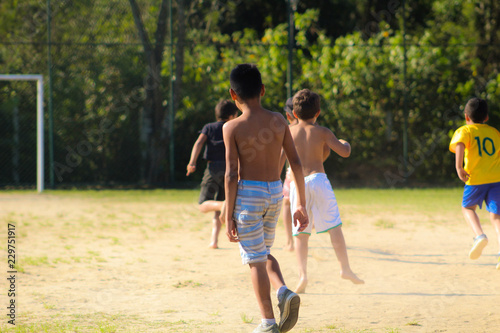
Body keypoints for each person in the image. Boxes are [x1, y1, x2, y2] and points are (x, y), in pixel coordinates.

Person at [223, 64, 309, 333]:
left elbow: (230, 174)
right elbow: (295, 162)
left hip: (248, 195)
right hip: (274, 193)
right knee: (264, 252)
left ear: (232, 94)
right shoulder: (279, 121)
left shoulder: (232, 127)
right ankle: (283, 291)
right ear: (262, 90)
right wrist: (300, 204)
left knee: (255, 260)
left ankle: (268, 323)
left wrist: (228, 218)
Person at [286, 89, 364, 294]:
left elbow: (280, 158)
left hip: (297, 184)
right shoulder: (322, 132)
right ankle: (345, 268)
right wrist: (346, 143)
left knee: (301, 233)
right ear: (318, 113)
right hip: (319, 180)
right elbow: (344, 152)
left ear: (294, 113)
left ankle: (302, 275)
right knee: (334, 227)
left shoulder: (288, 132)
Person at [449, 97, 500, 269]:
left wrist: (458, 167)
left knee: (468, 208)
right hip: (496, 179)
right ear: (486, 117)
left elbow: (460, 145)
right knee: (496, 216)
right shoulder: (494, 132)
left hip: (475, 179)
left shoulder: (464, 131)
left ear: (466, 117)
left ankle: (480, 236)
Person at [186, 99, 238, 249]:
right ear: (231, 115)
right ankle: (214, 240)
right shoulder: (232, 127)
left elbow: (198, 143)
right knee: (219, 209)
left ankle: (222, 207)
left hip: (213, 169)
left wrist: (192, 162)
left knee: (203, 205)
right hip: (229, 170)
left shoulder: (209, 127)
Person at [281, 98, 330, 252]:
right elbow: (326, 149)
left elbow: (282, 156)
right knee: (307, 203)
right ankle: (305, 232)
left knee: (288, 204)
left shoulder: (290, 130)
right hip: (313, 175)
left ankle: (291, 241)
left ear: (291, 115)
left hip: (293, 176)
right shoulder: (314, 128)